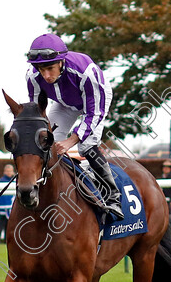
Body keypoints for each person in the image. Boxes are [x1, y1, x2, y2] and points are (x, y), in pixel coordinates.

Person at [26, 33, 124, 220]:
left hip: (94, 103)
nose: (46, 75)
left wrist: (72, 140)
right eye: (41, 69)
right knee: (45, 141)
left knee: (85, 146)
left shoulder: (86, 71)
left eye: (50, 68)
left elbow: (94, 113)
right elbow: (37, 111)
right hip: (64, 103)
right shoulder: (32, 77)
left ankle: (113, 196)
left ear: (61, 61)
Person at [0, 164, 15, 243]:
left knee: (8, 224)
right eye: (8, 171)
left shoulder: (14, 180)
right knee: (1, 224)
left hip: (10, 206)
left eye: (10, 171)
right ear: (4, 172)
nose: (9, 173)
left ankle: (6, 240)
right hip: (3, 206)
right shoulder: (2, 181)